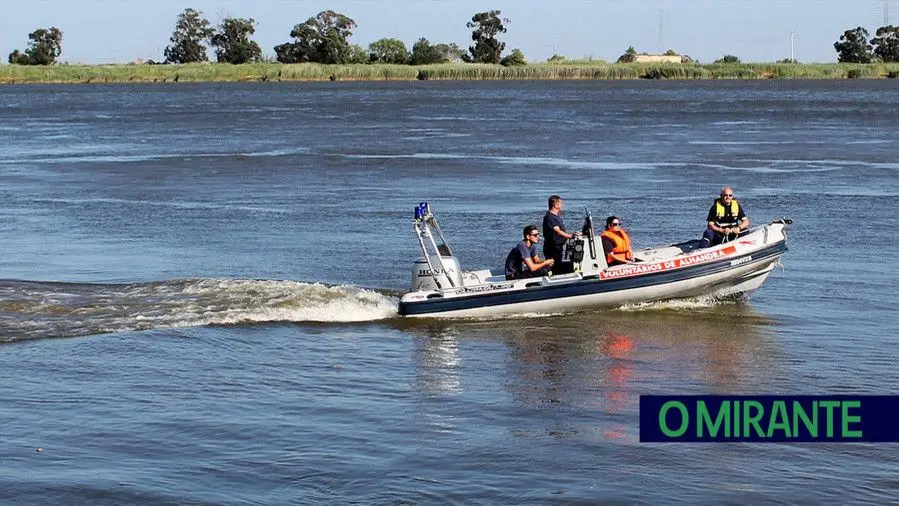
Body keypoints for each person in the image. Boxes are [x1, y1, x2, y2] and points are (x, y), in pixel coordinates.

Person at [542, 195, 578, 274]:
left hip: (559, 247)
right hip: (553, 248)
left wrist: (573, 234)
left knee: (561, 265)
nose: (562, 206)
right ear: (555, 205)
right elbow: (557, 230)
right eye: (560, 203)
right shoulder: (549, 217)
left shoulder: (556, 216)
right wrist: (569, 236)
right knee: (556, 268)